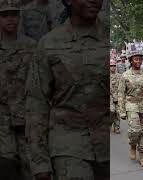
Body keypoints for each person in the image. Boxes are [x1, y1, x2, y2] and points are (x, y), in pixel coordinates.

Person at [25, 0, 111, 179]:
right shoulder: (49, 44)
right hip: (68, 145)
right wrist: (40, 162)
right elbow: (36, 103)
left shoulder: (111, 36)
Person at [0, 0, 36, 179]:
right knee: (6, 165)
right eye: (4, 15)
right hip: (2, 118)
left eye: (13, 15)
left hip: (27, 116)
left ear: (19, 17)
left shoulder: (32, 46)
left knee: (30, 165)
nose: (10, 19)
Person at [118, 50, 143, 168]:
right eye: (136, 59)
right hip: (131, 105)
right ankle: (132, 145)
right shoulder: (125, 75)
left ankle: (142, 155)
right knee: (135, 130)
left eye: (140, 59)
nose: (138, 61)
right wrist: (122, 110)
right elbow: (121, 93)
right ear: (131, 60)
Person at [110, 59, 121, 134]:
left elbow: (122, 87)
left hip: (118, 96)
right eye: (111, 66)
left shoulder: (119, 76)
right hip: (110, 97)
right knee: (111, 111)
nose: (113, 67)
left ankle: (117, 127)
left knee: (118, 112)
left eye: (114, 66)